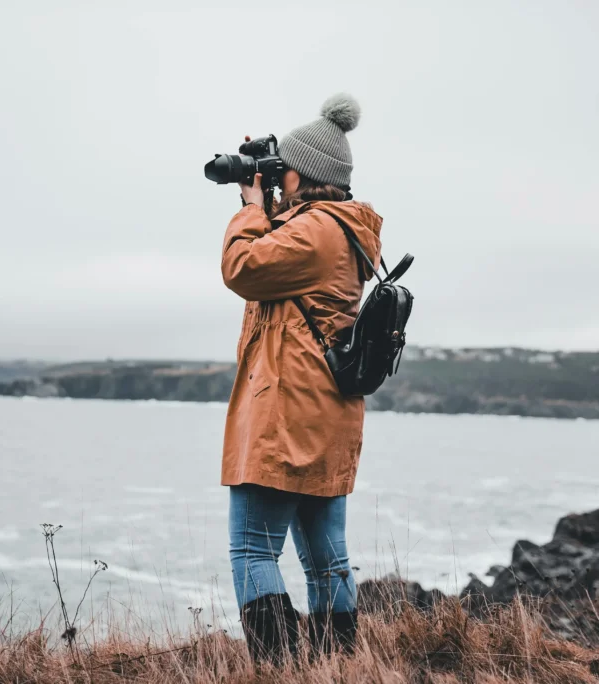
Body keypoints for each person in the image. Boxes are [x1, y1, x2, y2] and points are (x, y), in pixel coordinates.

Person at [219, 94, 383, 663]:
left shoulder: (314, 233)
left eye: (281, 168)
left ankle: (282, 669)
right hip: (329, 411)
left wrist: (249, 205)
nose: (274, 178)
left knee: (252, 549)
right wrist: (269, 203)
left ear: (302, 174)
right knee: (324, 554)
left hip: (287, 414)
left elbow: (242, 267)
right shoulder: (342, 230)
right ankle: (337, 667)